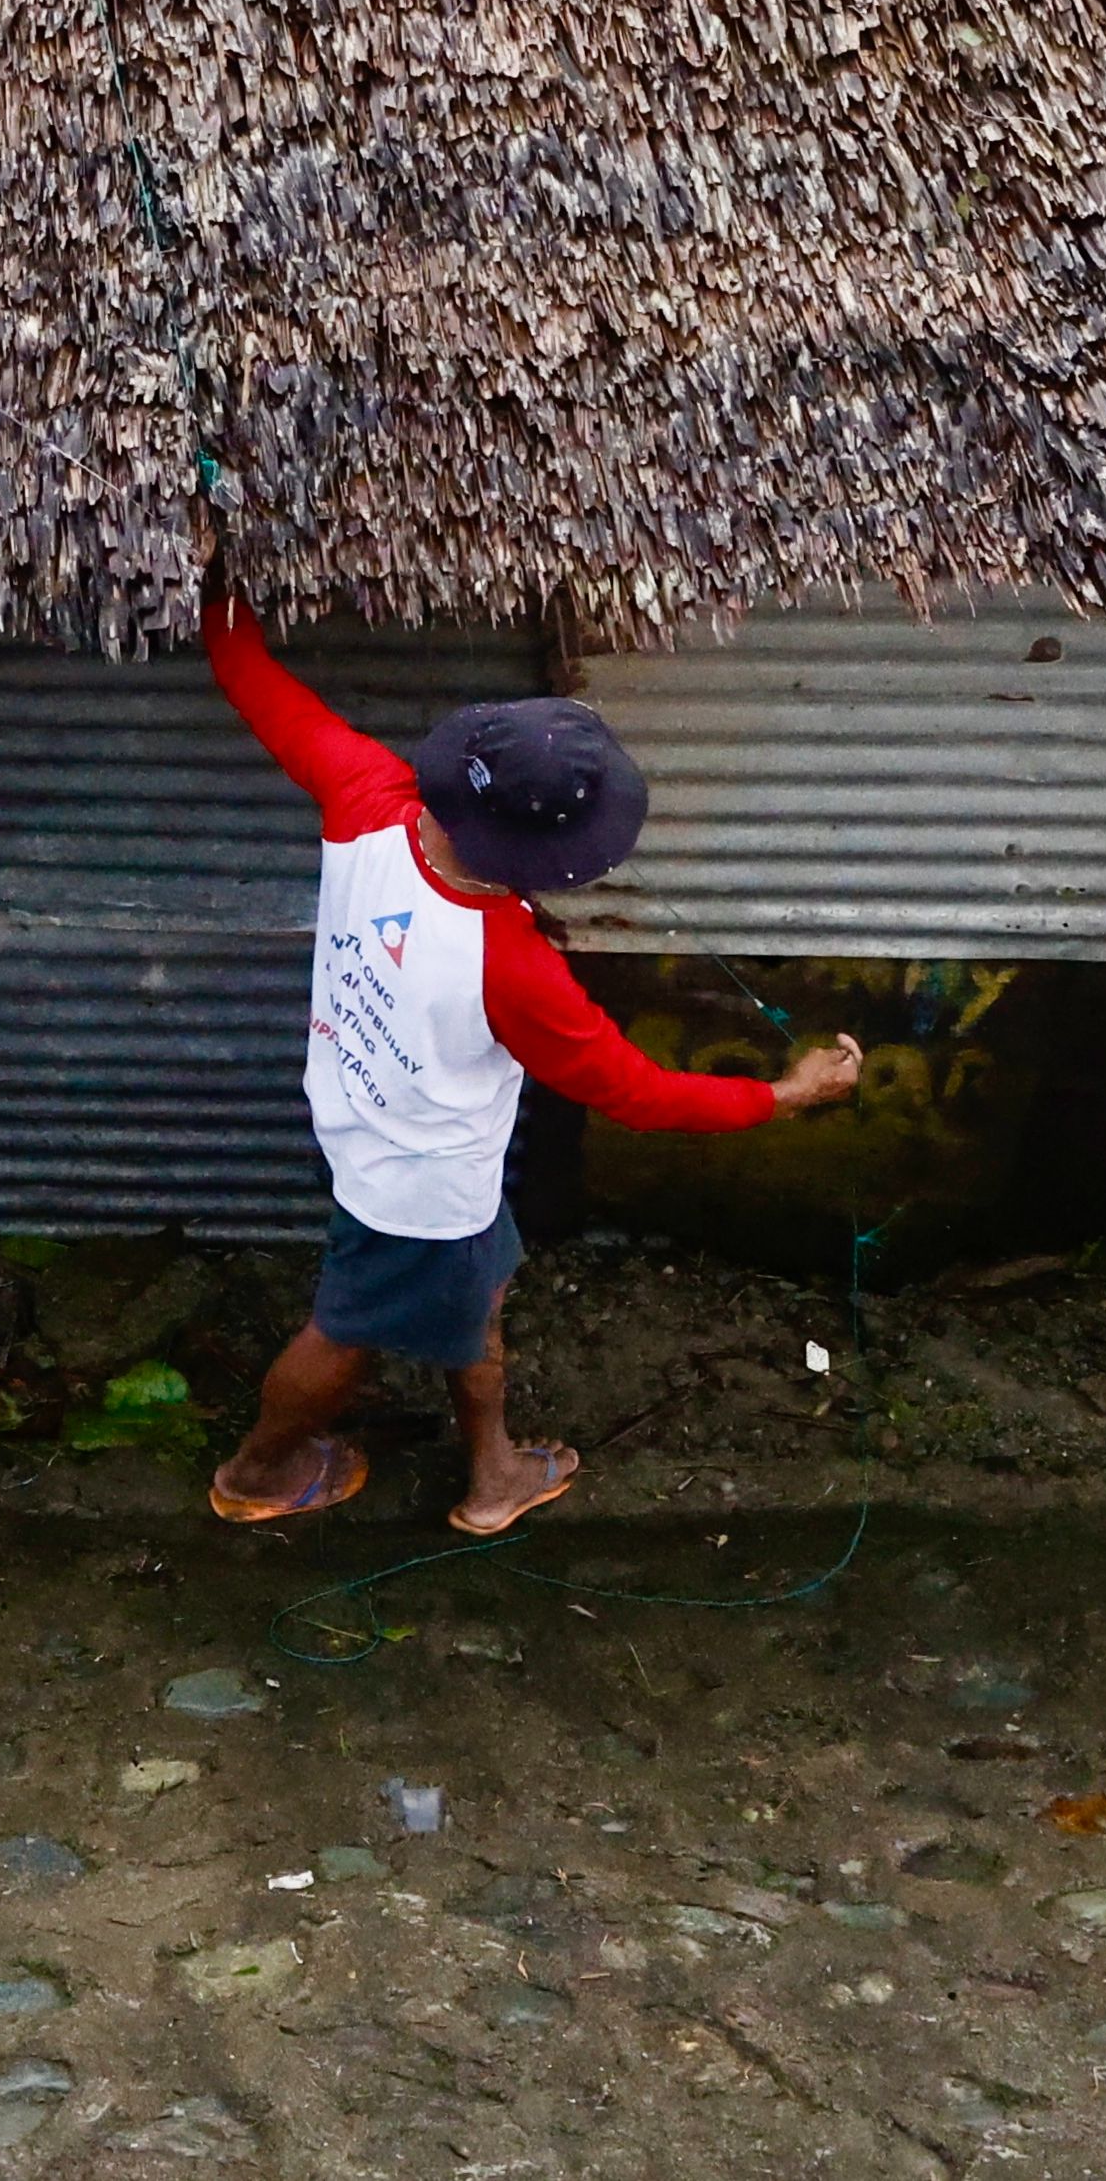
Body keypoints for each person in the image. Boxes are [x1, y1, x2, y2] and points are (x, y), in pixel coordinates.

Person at [204, 594, 863, 1535]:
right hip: (425, 1188)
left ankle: (493, 1469)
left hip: (352, 1116)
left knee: (475, 1294)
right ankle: (259, 1473)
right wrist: (788, 1094)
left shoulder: (368, 798)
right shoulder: (513, 969)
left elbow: (257, 685)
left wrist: (219, 592)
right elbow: (639, 1095)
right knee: (349, 1325)